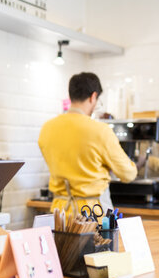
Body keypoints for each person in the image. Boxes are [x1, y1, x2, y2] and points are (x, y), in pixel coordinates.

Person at [38, 72, 137, 222]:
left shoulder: (47, 128)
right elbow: (128, 174)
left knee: (60, 246)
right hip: (92, 214)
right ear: (93, 97)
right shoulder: (100, 131)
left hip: (59, 215)